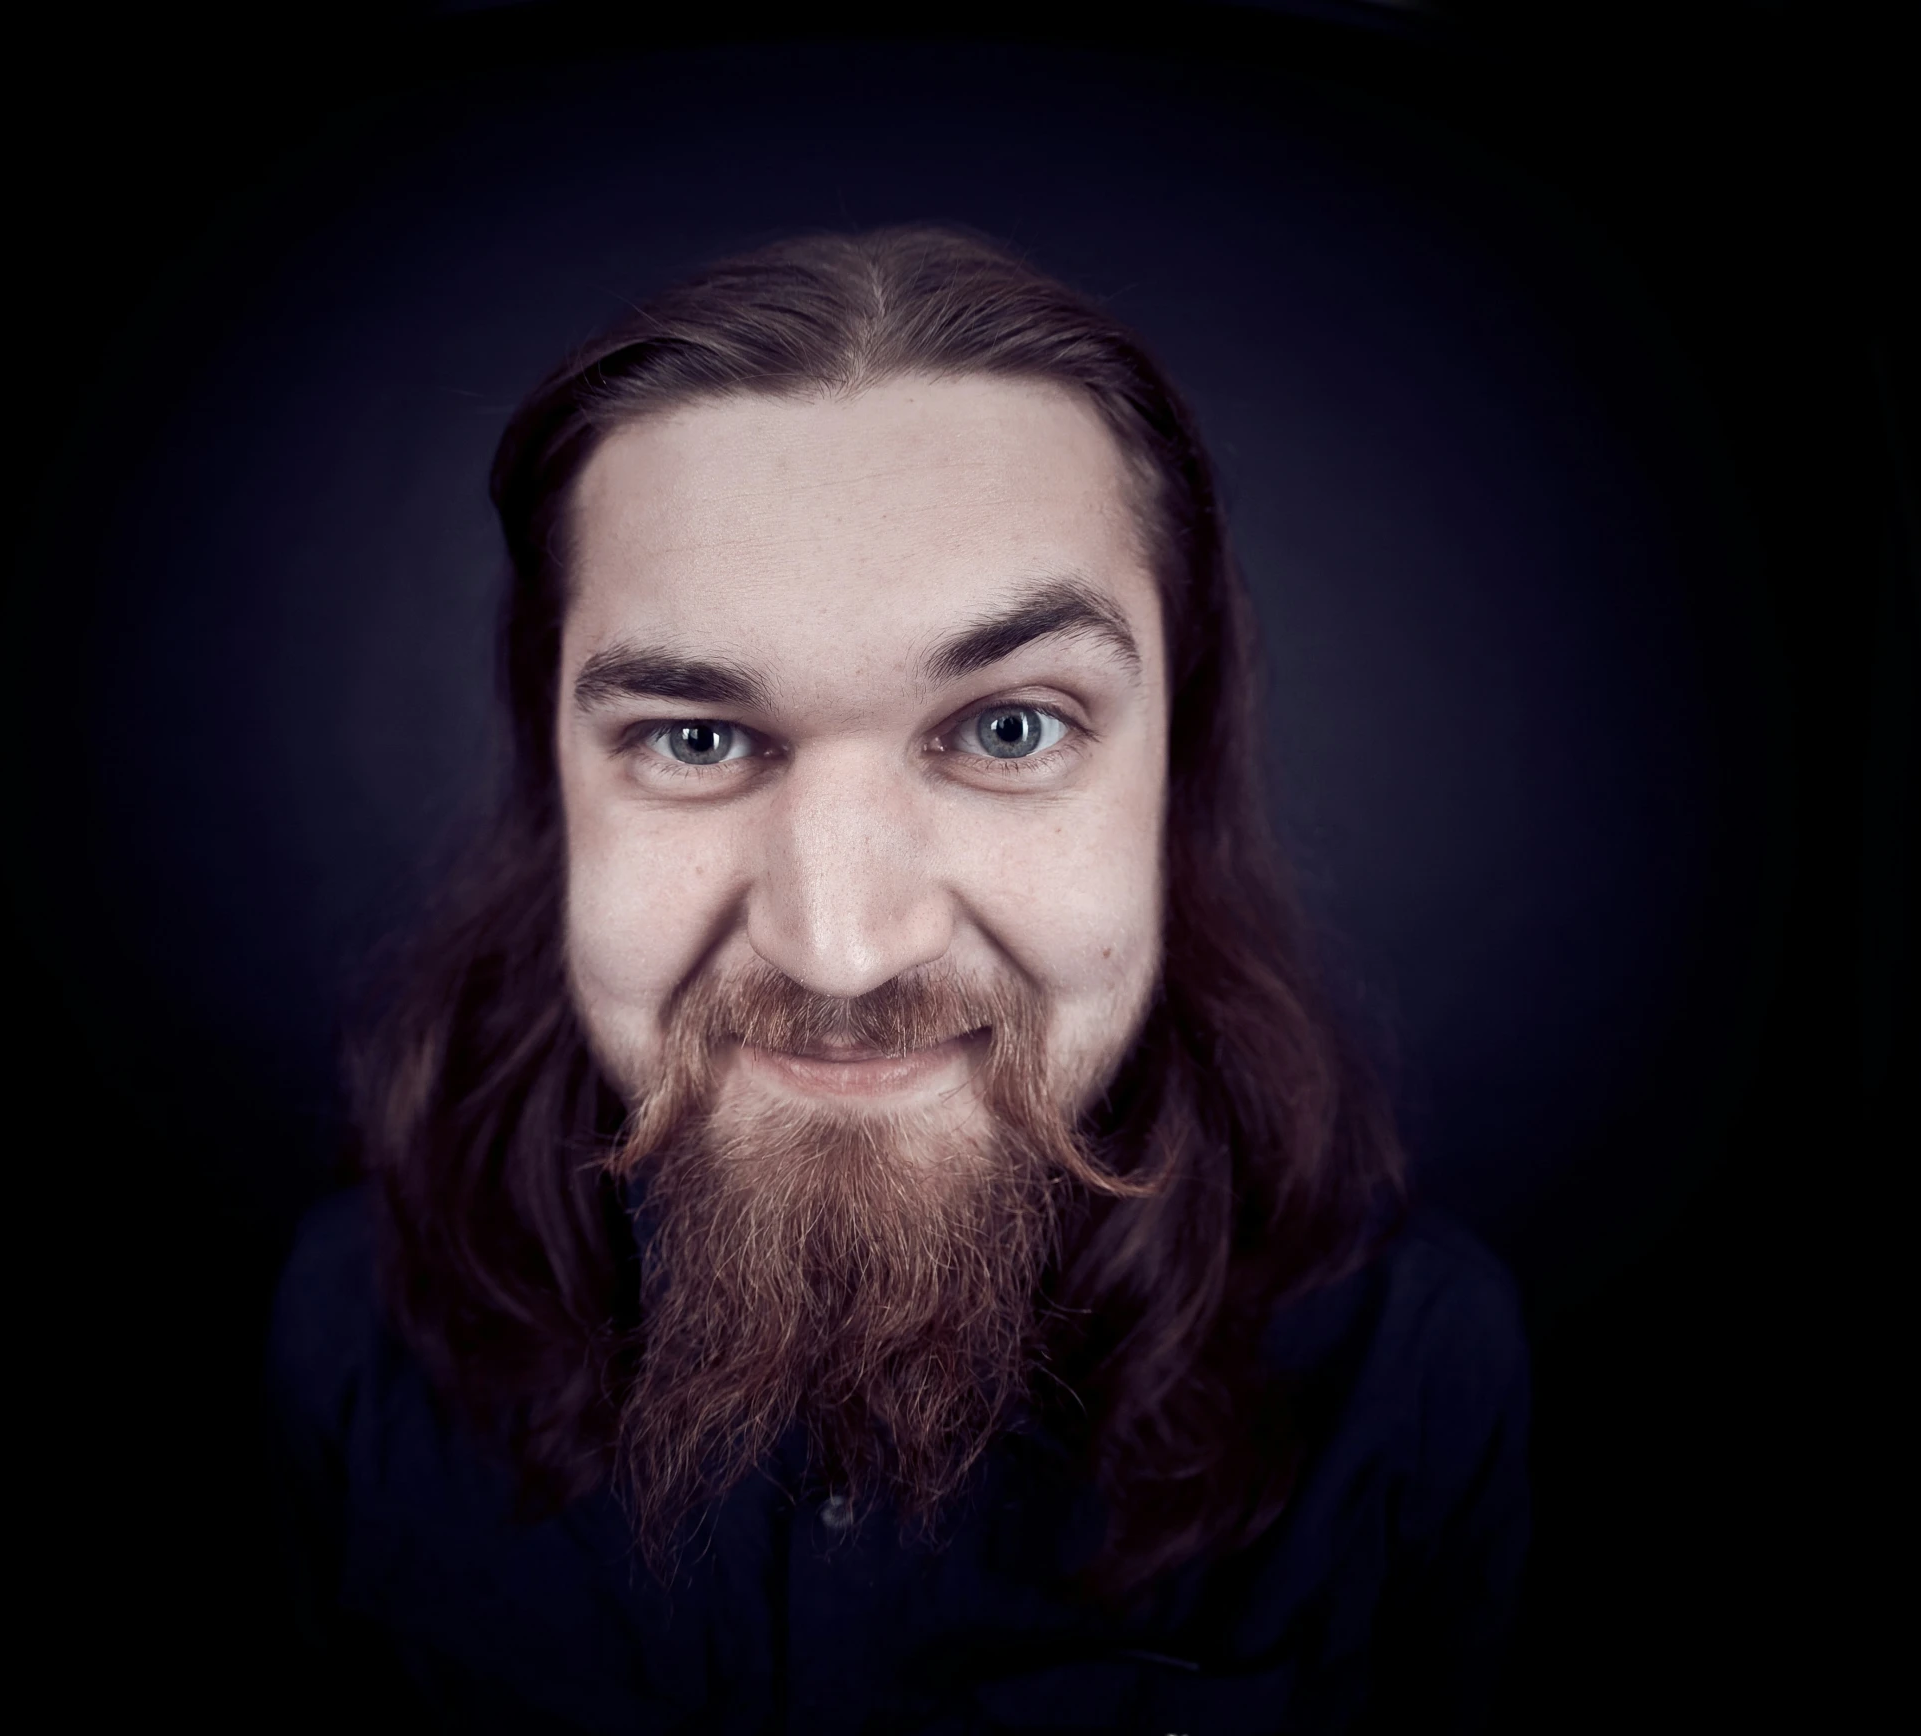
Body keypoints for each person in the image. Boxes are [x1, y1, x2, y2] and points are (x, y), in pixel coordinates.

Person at [268, 225, 1529, 1734]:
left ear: (1171, 774)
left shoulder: (1413, 1377)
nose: (841, 947)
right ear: (556, 781)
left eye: (1008, 729)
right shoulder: (351, 1321)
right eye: (695, 737)